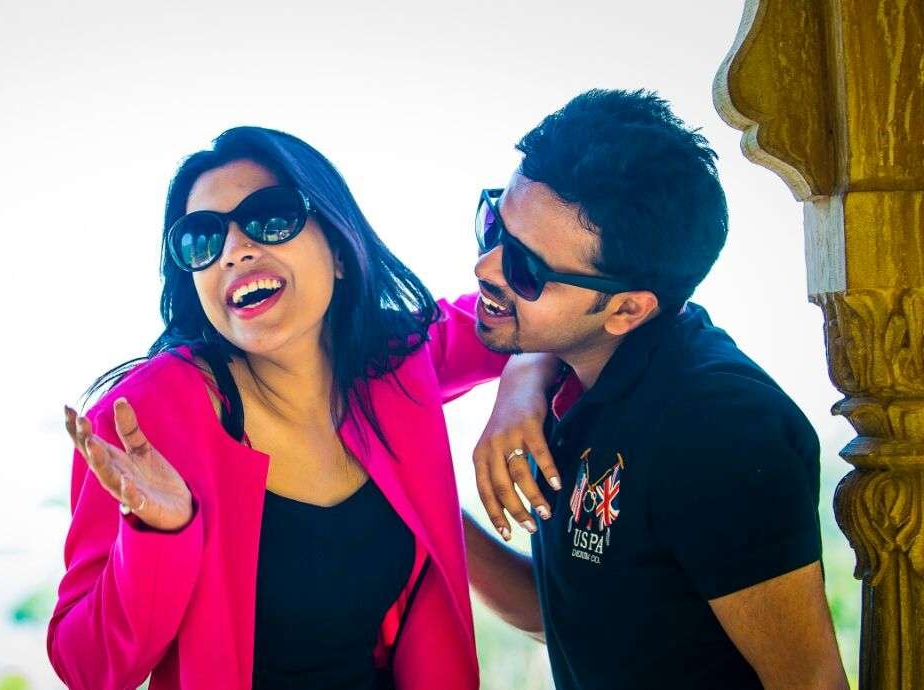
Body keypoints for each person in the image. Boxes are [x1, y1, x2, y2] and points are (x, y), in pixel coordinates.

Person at [46, 126, 548, 690]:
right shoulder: (137, 420)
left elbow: (539, 319)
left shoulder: (396, 361)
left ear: (339, 250)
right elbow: (87, 667)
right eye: (202, 239)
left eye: (270, 217)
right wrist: (156, 534)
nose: (234, 250)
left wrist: (521, 389)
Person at [463, 89, 848, 689]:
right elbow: (576, 618)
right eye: (493, 222)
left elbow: (810, 682)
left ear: (627, 310)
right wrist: (424, 506)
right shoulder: (580, 381)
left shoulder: (718, 430)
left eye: (525, 270)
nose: (485, 268)